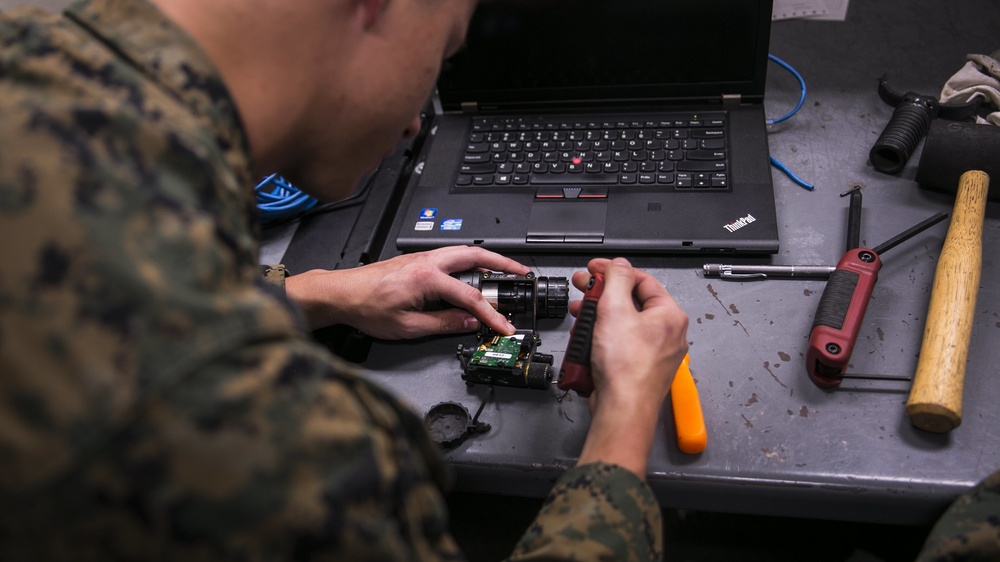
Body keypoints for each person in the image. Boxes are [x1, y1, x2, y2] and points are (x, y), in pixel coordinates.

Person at [0, 0, 690, 559]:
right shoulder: (274, 437)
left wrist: (320, 292)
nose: (420, 117)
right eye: (444, 54)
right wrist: (623, 420)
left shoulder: (25, 52)